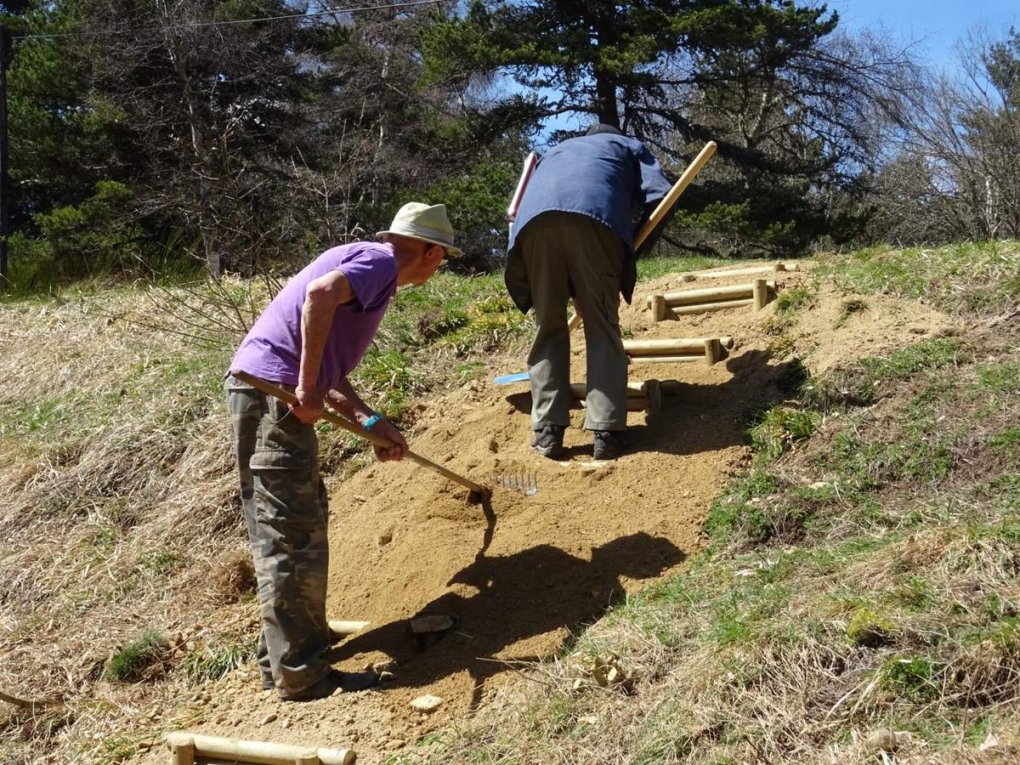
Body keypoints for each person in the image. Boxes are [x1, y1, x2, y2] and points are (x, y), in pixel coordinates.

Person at [224, 202, 461, 701]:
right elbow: (318, 296)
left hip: (268, 391)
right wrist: (307, 388)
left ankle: (285, 655)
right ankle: (302, 675)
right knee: (292, 532)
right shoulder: (380, 262)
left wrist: (368, 420)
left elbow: (330, 365)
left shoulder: (367, 266)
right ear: (430, 251)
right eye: (441, 259)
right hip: (274, 395)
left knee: (292, 523)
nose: (436, 269)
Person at [504, 124, 673, 460]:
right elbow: (661, 196)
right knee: (601, 326)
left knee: (548, 327)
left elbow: (527, 204)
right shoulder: (626, 144)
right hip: (596, 219)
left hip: (532, 226)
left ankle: (547, 431)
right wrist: (630, 248)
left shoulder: (555, 151)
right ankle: (607, 430)